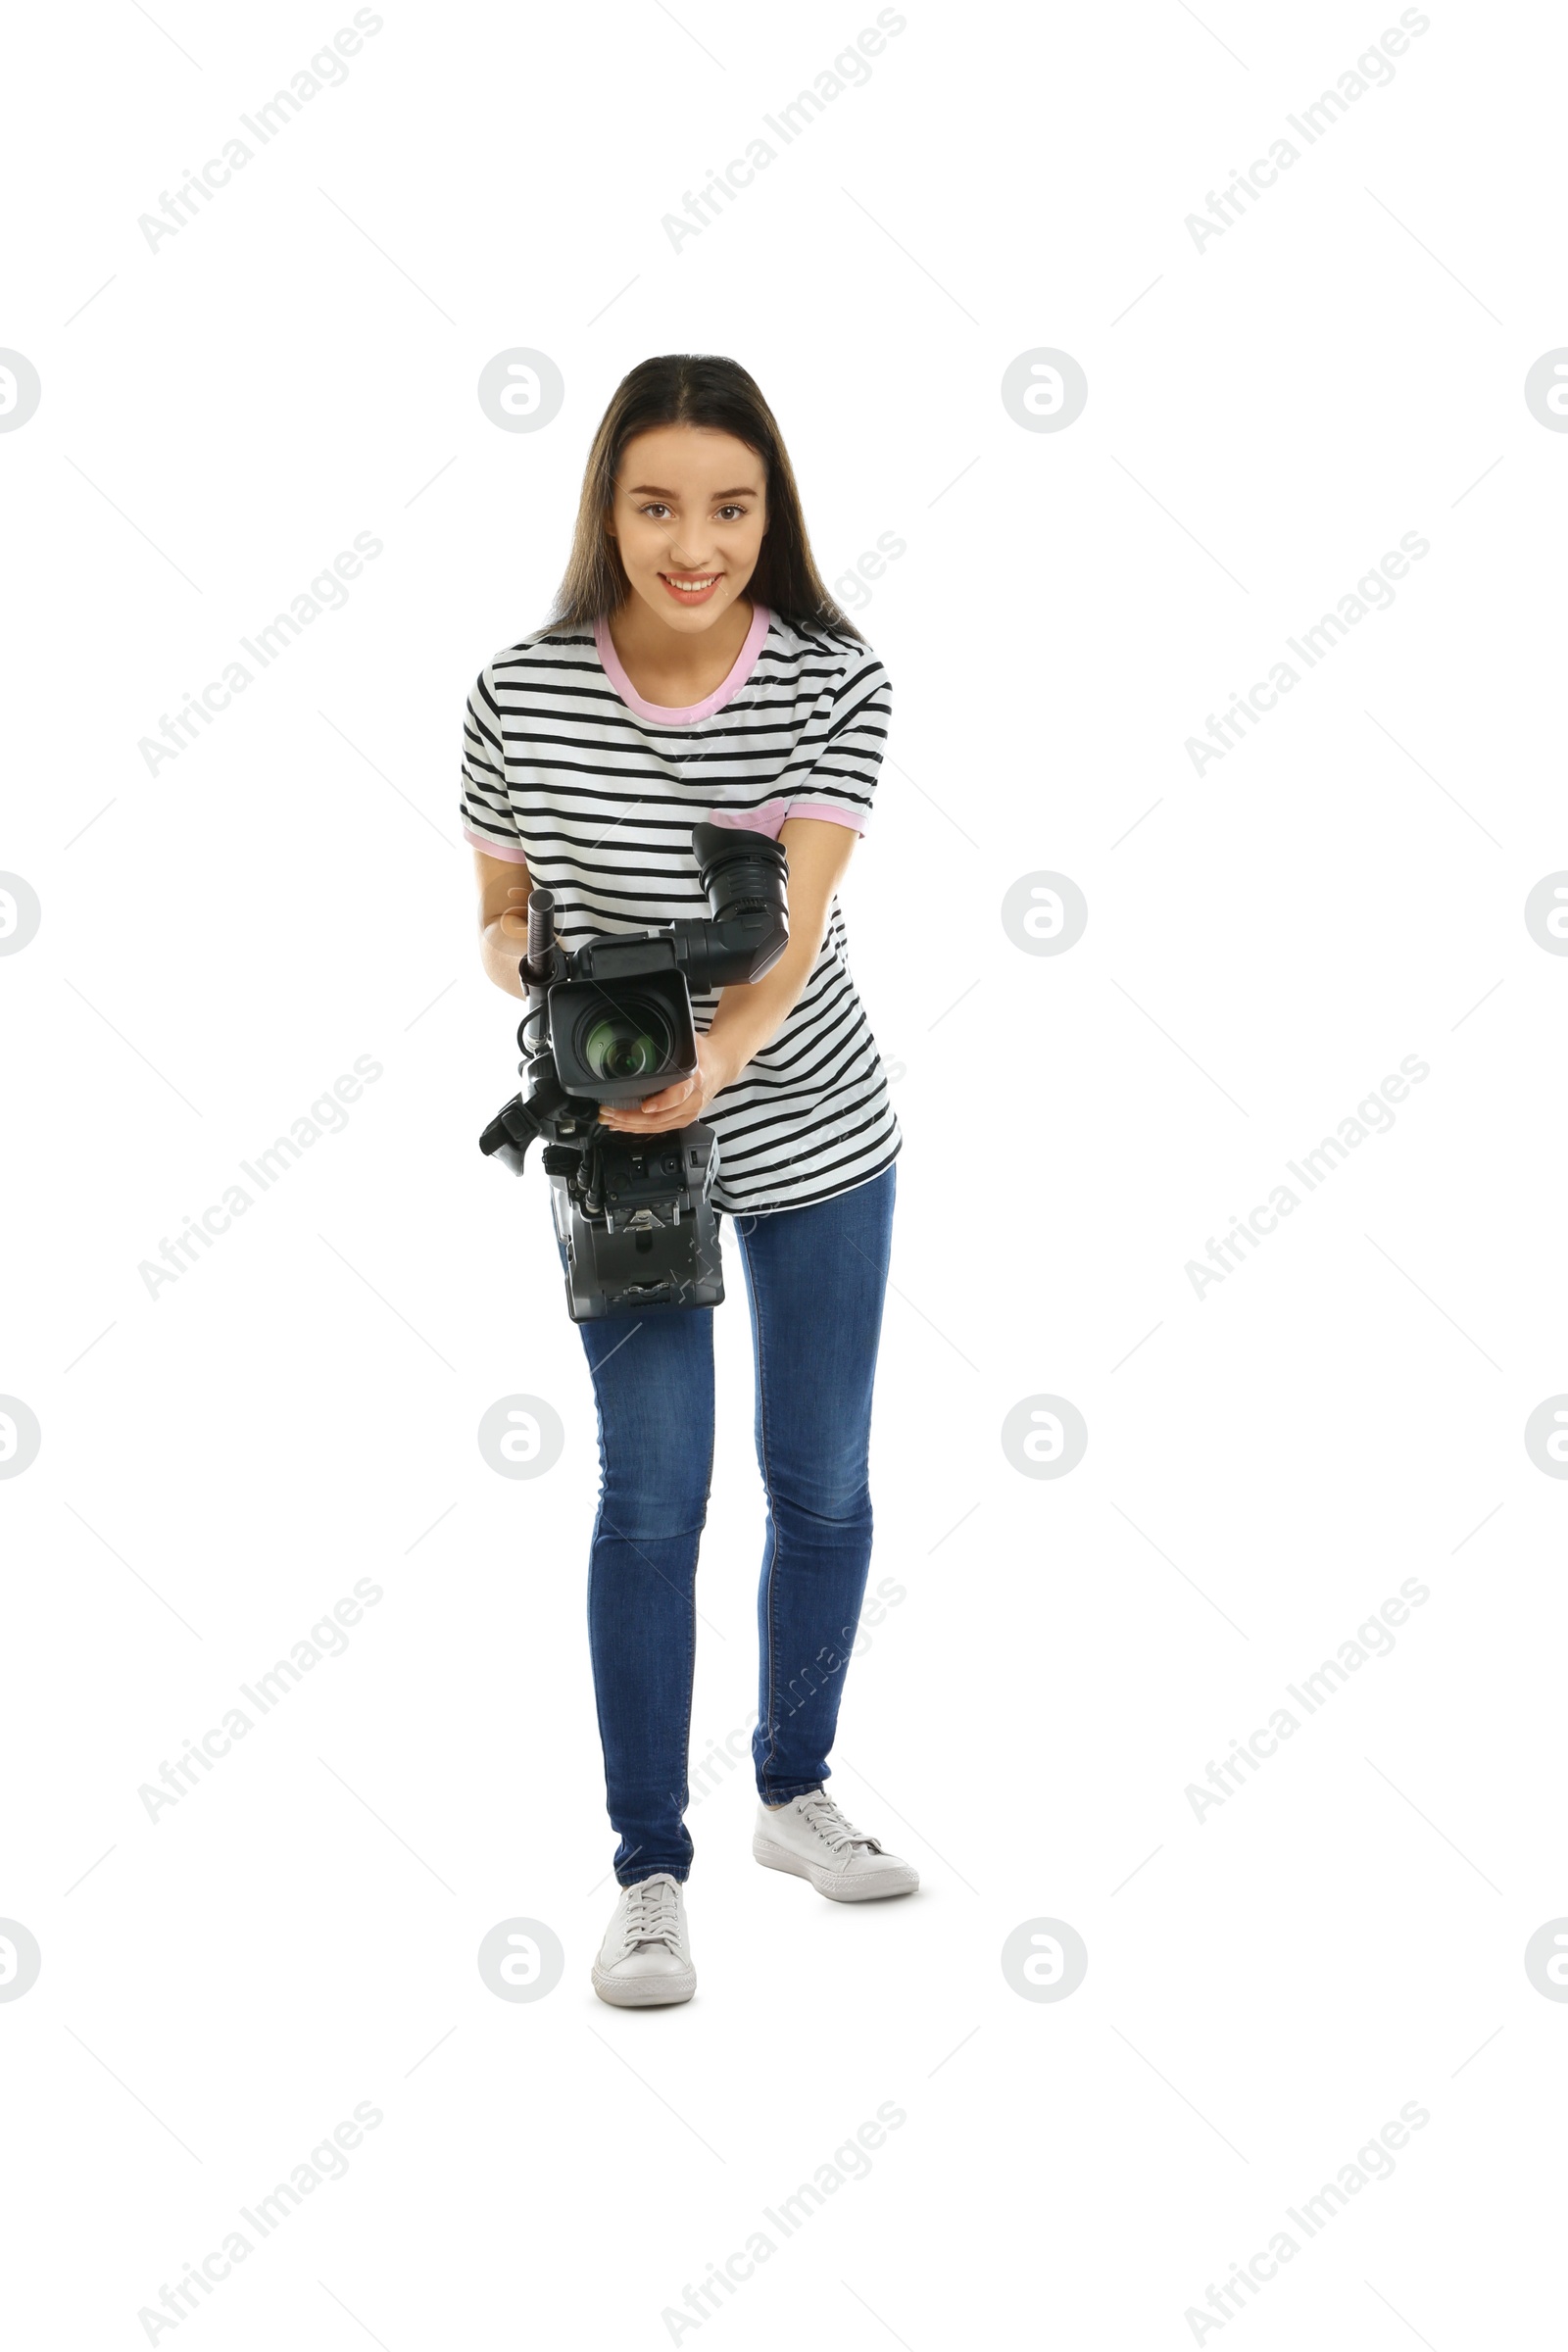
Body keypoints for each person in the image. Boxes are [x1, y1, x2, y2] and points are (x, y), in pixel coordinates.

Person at [461, 353, 916, 2009]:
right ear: (609, 511)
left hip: (811, 1128)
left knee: (825, 1480)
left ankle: (792, 1793)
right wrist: (540, 980)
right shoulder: (519, 689)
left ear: (769, 514)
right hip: (619, 1150)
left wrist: (705, 1064)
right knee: (651, 1499)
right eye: (658, 505)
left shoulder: (832, 682)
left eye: (730, 507)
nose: (694, 542)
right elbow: (500, 911)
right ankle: (650, 1872)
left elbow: (785, 940)